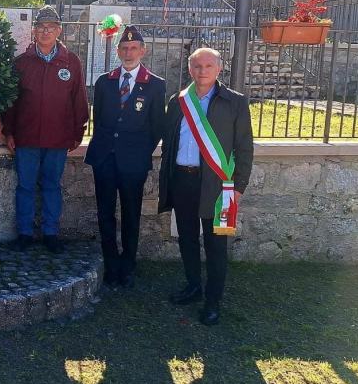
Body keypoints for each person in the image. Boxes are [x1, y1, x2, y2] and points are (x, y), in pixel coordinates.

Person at [158, 47, 254, 326]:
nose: (203, 71)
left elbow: (244, 147)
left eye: (208, 66)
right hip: (182, 179)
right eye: (197, 66)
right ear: (190, 69)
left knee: (216, 244)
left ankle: (213, 301)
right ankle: (193, 286)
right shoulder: (178, 101)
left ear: (219, 68)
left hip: (218, 185)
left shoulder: (234, 102)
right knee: (187, 237)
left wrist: (239, 187)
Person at [1, 5, 89, 254]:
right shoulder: (22, 63)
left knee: (52, 186)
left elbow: (79, 99)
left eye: (50, 27)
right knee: (25, 186)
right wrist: (9, 131)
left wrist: (77, 132)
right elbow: (12, 101)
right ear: (34, 31)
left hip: (58, 138)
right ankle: (25, 234)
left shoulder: (71, 62)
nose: (45, 32)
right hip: (26, 137)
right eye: (41, 27)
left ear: (59, 31)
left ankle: (51, 233)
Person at [84, 26, 166, 289]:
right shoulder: (104, 82)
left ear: (143, 51)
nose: (128, 52)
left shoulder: (155, 84)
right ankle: (111, 264)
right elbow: (101, 123)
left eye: (133, 48)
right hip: (105, 159)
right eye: (124, 48)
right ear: (118, 51)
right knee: (105, 213)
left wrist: (139, 152)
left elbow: (157, 127)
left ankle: (128, 265)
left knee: (132, 214)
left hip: (133, 163)